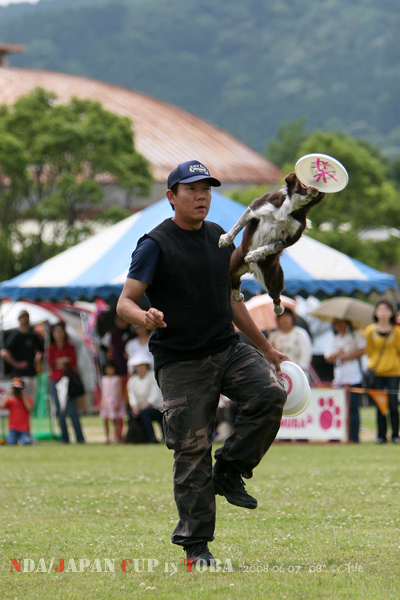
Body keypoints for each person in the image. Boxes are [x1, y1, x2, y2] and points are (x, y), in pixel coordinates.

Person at [116, 159, 288, 566]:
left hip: (226, 347)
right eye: (192, 189)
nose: (201, 196)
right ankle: (197, 547)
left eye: (206, 189)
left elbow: (231, 298)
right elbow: (124, 301)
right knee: (191, 451)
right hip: (181, 362)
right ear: (171, 196)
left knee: (270, 394)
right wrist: (145, 317)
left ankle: (229, 469)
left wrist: (266, 349)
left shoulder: (219, 237)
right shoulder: (154, 244)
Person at [324, 319, 366, 443]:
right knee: (338, 407)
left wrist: (346, 355)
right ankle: (335, 435)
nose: (339, 325)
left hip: (354, 377)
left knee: (353, 408)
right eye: (336, 323)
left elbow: (363, 350)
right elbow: (328, 357)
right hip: (339, 378)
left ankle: (354, 436)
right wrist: (338, 353)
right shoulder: (334, 338)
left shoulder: (355, 336)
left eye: (341, 322)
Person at [365, 300, 400, 444]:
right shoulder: (370, 330)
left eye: (386, 310)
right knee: (380, 405)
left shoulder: (397, 331)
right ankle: (381, 435)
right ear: (376, 313)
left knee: (392, 404)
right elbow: (369, 351)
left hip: (393, 371)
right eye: (380, 310)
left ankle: (395, 435)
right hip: (377, 372)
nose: (383, 313)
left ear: (391, 313)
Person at [47, 322, 85, 444]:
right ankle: (64, 437)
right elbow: (51, 362)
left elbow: (72, 361)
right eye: (56, 331)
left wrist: (61, 362)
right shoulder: (51, 348)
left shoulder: (70, 347)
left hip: (67, 380)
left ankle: (79, 438)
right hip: (55, 380)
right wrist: (63, 360)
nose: (58, 334)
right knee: (59, 410)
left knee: (72, 409)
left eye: (60, 331)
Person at [1, 309, 44, 399]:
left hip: (32, 373)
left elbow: (41, 350)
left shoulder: (33, 335)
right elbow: (4, 352)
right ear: (19, 319)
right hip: (19, 375)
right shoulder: (15, 335)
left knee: (31, 401)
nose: (25, 319)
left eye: (26, 317)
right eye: (23, 317)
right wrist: (16, 364)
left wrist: (36, 360)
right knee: (19, 401)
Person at [127, 356, 163, 443]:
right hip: (140, 409)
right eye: (138, 366)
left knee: (144, 414)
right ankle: (137, 438)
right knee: (131, 414)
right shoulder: (132, 380)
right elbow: (132, 397)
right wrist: (135, 407)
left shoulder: (152, 377)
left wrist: (141, 408)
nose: (141, 368)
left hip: (157, 408)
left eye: (142, 366)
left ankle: (152, 438)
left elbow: (154, 397)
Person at [269, 308, 312, 376]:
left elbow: (306, 353)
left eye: (287, 316)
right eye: (282, 317)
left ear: (292, 318)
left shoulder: (300, 333)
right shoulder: (273, 336)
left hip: (297, 372)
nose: (284, 319)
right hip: (279, 373)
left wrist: (301, 369)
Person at [0, 377, 34, 445]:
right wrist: (8, 393)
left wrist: (23, 396)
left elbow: (29, 409)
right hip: (13, 428)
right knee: (11, 443)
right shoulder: (11, 400)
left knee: (26, 442)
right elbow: (2, 406)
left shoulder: (28, 399)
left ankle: (29, 439)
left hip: (24, 428)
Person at [100, 359, 125, 443]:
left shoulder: (117, 378)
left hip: (113, 401)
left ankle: (118, 437)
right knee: (105, 421)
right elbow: (103, 392)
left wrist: (117, 402)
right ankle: (107, 438)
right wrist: (101, 402)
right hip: (105, 402)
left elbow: (118, 392)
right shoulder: (104, 379)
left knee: (116, 421)